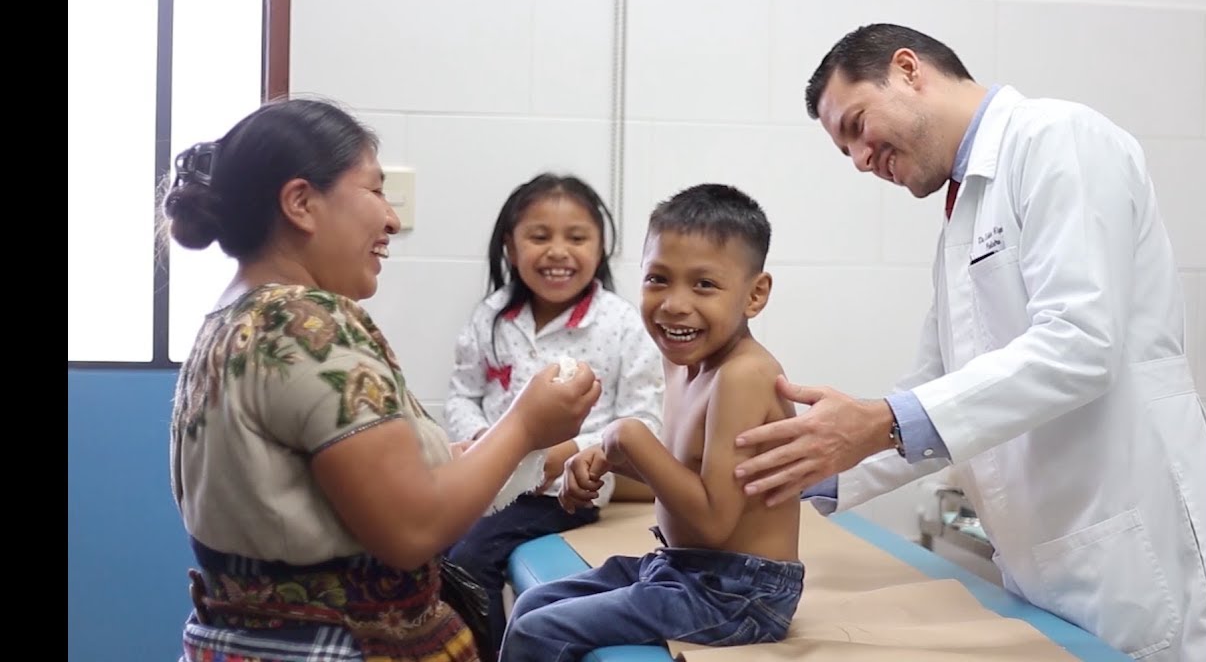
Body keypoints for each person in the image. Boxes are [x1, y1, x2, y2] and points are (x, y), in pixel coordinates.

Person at [732, 23, 1206, 661]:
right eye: (846, 150)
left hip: (1132, 546)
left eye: (856, 126)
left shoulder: (1058, 138)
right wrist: (810, 468)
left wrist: (879, 423)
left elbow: (1081, 343)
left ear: (908, 70)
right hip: (1051, 557)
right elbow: (936, 394)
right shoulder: (964, 216)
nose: (860, 160)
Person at [163, 97, 602, 662]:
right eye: (375, 190)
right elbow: (411, 528)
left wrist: (515, 448)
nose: (392, 219)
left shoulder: (232, 320)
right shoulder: (307, 325)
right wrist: (523, 425)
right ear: (301, 203)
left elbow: (377, 483)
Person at [500, 184, 805, 661]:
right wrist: (607, 459)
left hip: (741, 594)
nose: (674, 304)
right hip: (685, 567)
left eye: (704, 285)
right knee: (532, 604)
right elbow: (691, 477)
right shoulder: (685, 363)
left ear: (755, 294)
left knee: (540, 631)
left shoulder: (743, 376)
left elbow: (713, 522)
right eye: (658, 279)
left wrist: (626, 436)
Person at [442, 172, 664, 651]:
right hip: (484, 478)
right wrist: (483, 440)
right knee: (424, 547)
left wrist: (570, 451)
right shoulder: (491, 316)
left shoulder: (622, 324)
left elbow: (643, 423)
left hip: (561, 493)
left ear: (600, 247)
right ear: (510, 246)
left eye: (576, 238)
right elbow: (462, 395)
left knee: (469, 560)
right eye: (539, 237)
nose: (558, 252)